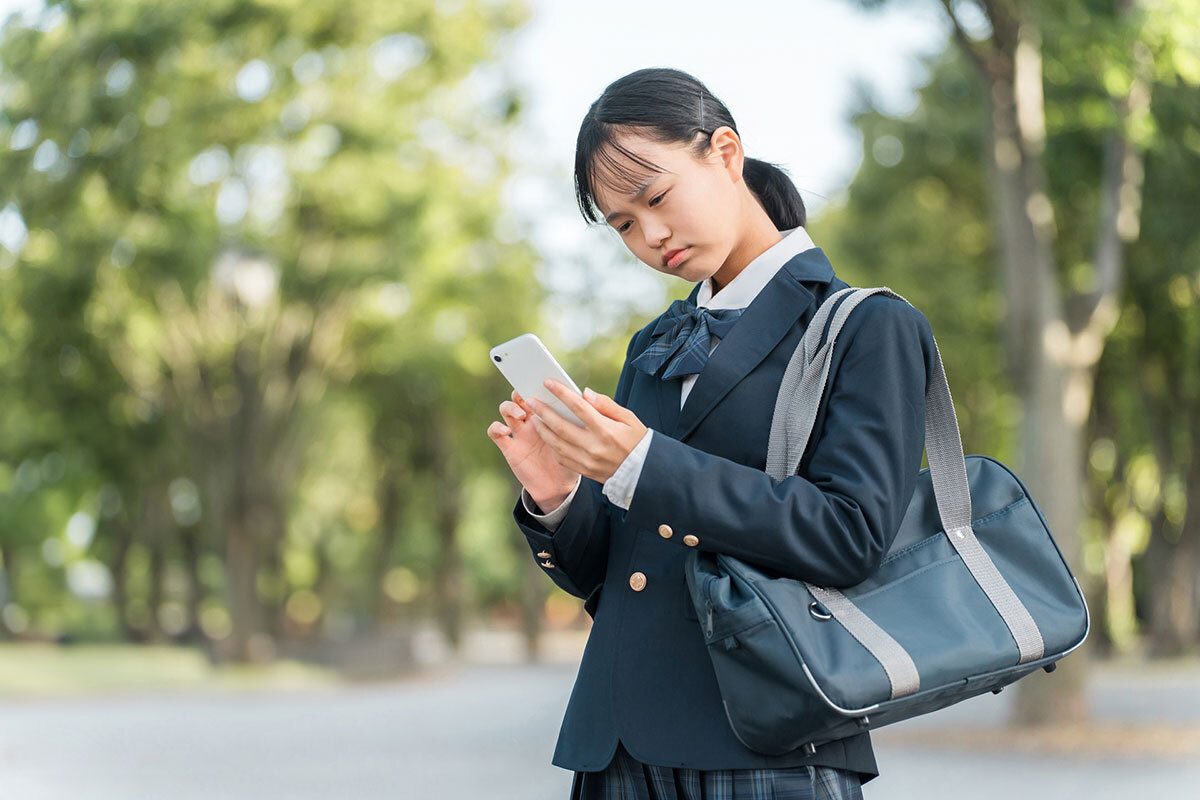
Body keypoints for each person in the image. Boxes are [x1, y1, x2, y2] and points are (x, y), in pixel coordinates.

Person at [486, 67, 935, 800]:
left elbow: (850, 536)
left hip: (769, 740)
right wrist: (559, 496)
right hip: (618, 749)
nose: (650, 236)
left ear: (725, 152)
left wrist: (644, 464)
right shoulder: (656, 344)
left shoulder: (866, 326)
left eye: (656, 198)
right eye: (623, 225)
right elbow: (617, 580)